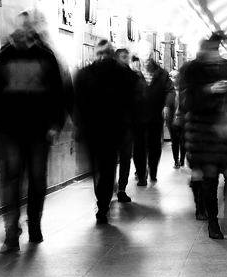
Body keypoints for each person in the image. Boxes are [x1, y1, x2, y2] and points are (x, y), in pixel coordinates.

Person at [0, 12, 67, 253]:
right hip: (11, 130)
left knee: (37, 179)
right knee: (11, 179)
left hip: (39, 130)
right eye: (19, 26)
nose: (22, 30)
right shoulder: (5, 56)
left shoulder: (45, 56)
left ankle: (34, 223)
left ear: (32, 30)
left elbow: (58, 93)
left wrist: (55, 124)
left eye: (26, 27)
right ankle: (11, 232)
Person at [180, 34, 227, 239]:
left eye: (217, 49)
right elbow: (186, 102)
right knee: (209, 179)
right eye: (211, 49)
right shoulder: (192, 70)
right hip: (203, 135)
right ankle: (213, 222)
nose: (215, 53)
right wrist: (209, 89)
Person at [73, 39, 135, 225]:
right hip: (107, 129)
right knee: (105, 168)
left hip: (102, 130)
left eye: (104, 54)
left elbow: (78, 102)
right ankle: (103, 202)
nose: (101, 58)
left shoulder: (86, 74)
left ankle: (102, 203)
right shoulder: (122, 74)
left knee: (102, 168)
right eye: (100, 54)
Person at [112, 48, 143, 201]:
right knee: (112, 158)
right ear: (116, 58)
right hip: (113, 124)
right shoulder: (108, 76)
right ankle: (113, 185)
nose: (125, 60)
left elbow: (139, 100)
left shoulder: (133, 77)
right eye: (122, 57)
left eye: (126, 57)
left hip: (127, 124)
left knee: (125, 157)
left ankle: (122, 188)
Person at [138, 56, 173, 185]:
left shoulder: (162, 74)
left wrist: (166, 105)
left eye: (148, 58)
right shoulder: (136, 74)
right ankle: (141, 175)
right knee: (139, 147)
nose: (146, 61)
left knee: (154, 146)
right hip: (138, 118)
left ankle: (153, 171)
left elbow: (170, 91)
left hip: (155, 116)